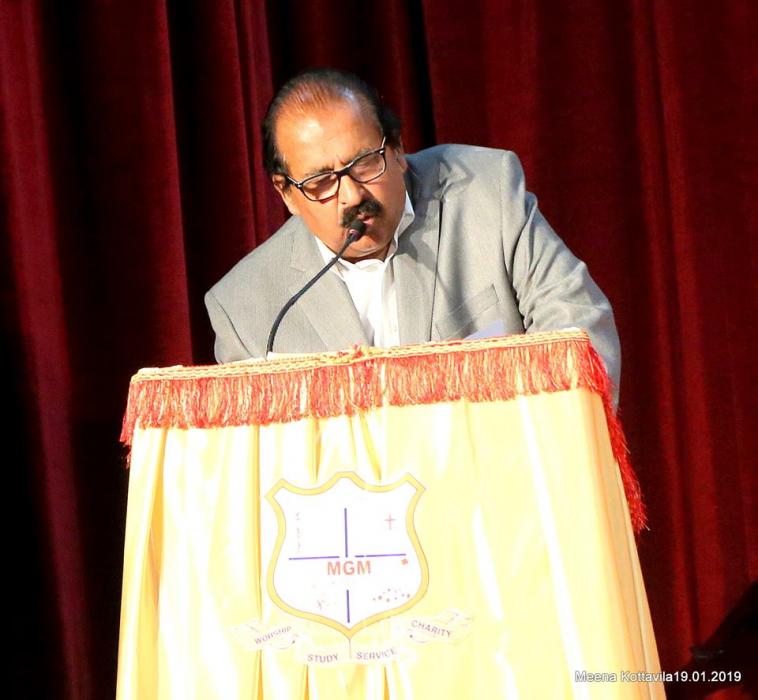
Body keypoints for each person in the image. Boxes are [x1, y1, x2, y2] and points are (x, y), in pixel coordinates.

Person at [205, 68, 621, 401]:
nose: (352, 196)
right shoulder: (246, 308)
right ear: (287, 194)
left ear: (398, 149)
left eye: (365, 163)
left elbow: (579, 327)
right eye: (320, 183)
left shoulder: (486, 194)